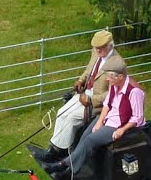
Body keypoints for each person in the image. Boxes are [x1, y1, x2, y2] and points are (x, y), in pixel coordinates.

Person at [35, 30, 127, 162]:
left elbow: (114, 93)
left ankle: (58, 152)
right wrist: (81, 80)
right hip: (85, 93)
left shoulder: (117, 65)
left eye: (100, 48)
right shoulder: (96, 53)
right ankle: (56, 147)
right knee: (61, 112)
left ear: (110, 46)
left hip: (98, 104)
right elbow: (89, 69)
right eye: (96, 47)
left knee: (72, 118)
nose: (97, 51)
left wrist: (91, 100)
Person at [44, 69, 145, 178]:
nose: (107, 79)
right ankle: (71, 166)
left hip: (120, 125)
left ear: (120, 77)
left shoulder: (134, 92)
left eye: (110, 77)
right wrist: (99, 121)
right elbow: (107, 105)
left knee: (90, 140)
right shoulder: (114, 85)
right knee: (85, 135)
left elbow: (137, 117)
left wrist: (122, 130)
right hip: (109, 118)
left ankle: (65, 166)